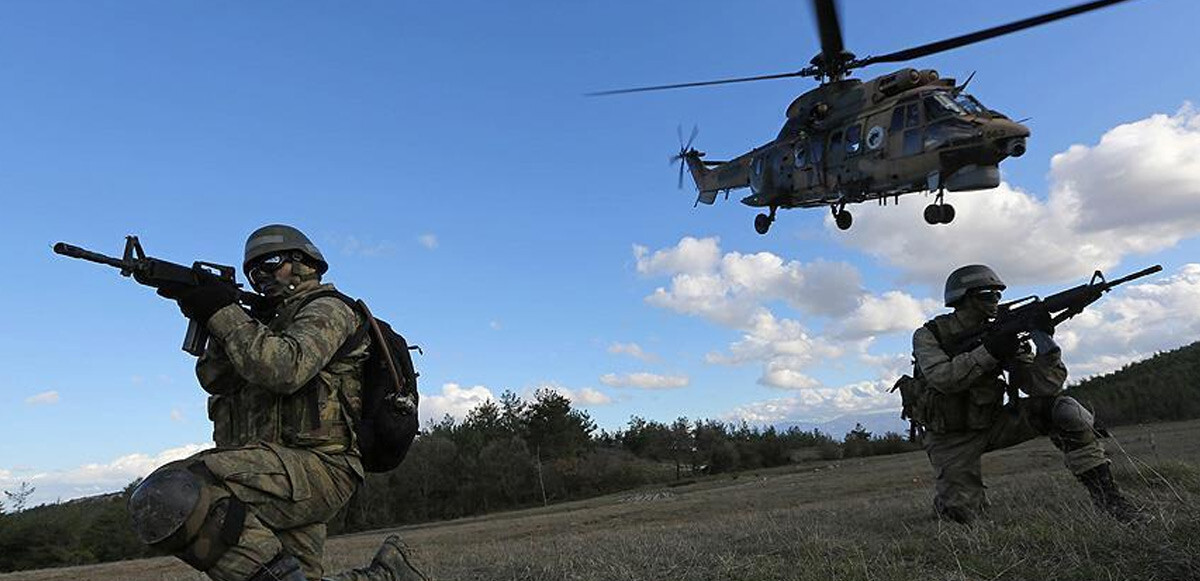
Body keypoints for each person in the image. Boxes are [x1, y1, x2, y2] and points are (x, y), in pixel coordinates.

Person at [125, 224, 426, 581]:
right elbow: (214, 379)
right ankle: (389, 576)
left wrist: (223, 312)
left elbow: (284, 368)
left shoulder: (329, 309)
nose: (261, 276)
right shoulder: (261, 324)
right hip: (275, 468)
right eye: (253, 272)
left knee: (172, 491)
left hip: (320, 468)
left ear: (305, 263)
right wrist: (215, 313)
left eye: (271, 263)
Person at [912, 264, 1140, 524]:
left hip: (993, 422)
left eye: (998, 294)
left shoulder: (1002, 333)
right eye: (988, 294)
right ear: (964, 298)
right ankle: (950, 506)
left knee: (1065, 410)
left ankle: (1112, 503)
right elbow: (943, 379)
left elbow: (1041, 387)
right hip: (950, 437)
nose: (995, 301)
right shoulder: (930, 335)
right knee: (961, 518)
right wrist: (990, 352)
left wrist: (1045, 343)